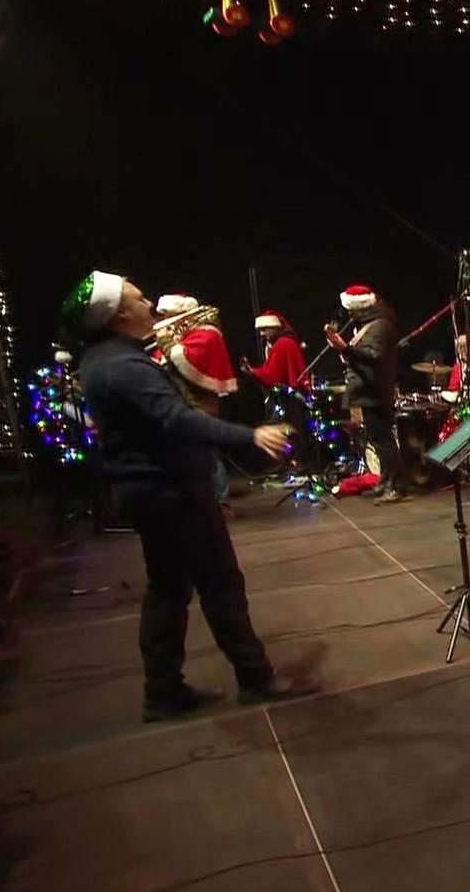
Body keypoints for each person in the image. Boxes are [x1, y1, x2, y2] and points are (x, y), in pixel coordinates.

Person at [68, 271, 316, 720]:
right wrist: (250, 435)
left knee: (168, 589)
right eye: (140, 299)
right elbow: (175, 418)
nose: (149, 306)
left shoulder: (106, 358)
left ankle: (163, 691)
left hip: (150, 489)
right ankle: (254, 677)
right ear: (120, 314)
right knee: (219, 583)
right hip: (170, 491)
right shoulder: (122, 366)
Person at [326, 284, 409, 503]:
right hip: (370, 388)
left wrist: (345, 348)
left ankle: (397, 486)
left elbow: (373, 356)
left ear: (360, 307)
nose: (349, 314)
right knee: (377, 438)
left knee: (384, 440)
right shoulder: (369, 324)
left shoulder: (380, 325)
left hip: (376, 389)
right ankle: (387, 481)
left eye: (351, 309)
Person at [242, 310, 307, 390]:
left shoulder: (282, 343)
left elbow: (273, 375)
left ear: (274, 327)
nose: (261, 334)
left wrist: (252, 371)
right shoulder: (287, 341)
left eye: (264, 329)